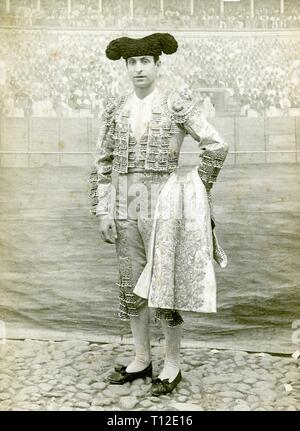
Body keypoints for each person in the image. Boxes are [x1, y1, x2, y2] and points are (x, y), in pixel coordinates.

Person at [90, 33, 229, 396]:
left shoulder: (175, 105)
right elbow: (102, 164)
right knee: (130, 283)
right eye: (132, 63)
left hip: (163, 203)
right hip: (123, 204)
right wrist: (103, 210)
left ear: (157, 65)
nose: (138, 69)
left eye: (145, 62)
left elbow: (216, 144)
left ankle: (172, 365)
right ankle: (140, 358)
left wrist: (196, 190)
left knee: (164, 283)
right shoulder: (115, 108)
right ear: (126, 68)